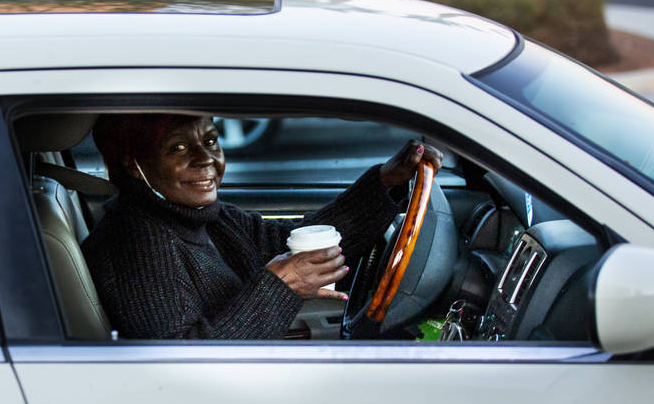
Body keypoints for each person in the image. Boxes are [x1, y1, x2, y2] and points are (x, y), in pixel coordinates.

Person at [82, 113, 442, 340]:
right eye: (178, 148)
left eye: (210, 141)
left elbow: (284, 242)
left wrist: (384, 184)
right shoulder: (136, 243)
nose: (206, 159)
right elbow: (183, 362)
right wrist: (282, 285)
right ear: (133, 164)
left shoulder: (197, 215)